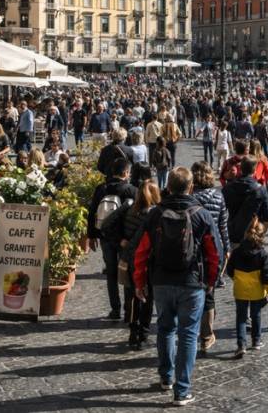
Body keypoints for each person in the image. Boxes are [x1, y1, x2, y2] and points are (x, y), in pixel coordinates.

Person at [132, 167, 221, 406]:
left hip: (161, 280)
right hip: (192, 282)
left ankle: (166, 377)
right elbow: (215, 253)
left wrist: (139, 281)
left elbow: (140, 251)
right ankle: (182, 390)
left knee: (165, 329)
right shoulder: (202, 215)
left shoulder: (155, 214)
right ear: (190, 187)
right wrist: (211, 282)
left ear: (168, 187)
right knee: (188, 334)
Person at [106, 179, 161, 349]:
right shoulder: (154, 214)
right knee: (146, 297)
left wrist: (120, 242)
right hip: (146, 261)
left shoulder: (129, 209)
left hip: (128, 259)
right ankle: (143, 335)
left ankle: (132, 332)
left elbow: (107, 225)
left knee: (131, 297)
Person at [89, 158, 138, 320]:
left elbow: (92, 213)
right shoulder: (132, 191)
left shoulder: (101, 189)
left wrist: (92, 236)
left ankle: (115, 309)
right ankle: (128, 310)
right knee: (127, 272)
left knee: (111, 273)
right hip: (125, 239)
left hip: (106, 237)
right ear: (125, 173)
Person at [191, 162, 230, 354]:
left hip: (194, 249)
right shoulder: (218, 196)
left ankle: (194, 329)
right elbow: (223, 227)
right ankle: (206, 335)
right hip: (213, 249)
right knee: (209, 290)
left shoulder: (190, 198)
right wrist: (227, 249)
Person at [225, 219, 268, 359]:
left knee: (241, 318)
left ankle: (241, 345)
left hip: (240, 290)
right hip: (257, 291)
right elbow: (267, 277)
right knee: (256, 315)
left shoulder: (236, 252)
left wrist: (237, 279)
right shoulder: (263, 254)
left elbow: (229, 270)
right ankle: (256, 340)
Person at [223, 157, 268, 248]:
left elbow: (221, 212)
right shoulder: (261, 189)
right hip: (252, 234)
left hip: (233, 233)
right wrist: (260, 234)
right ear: (254, 171)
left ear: (240, 169)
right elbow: (267, 217)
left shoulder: (228, 187)